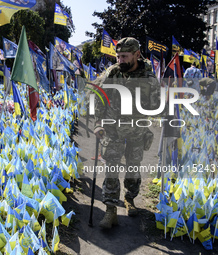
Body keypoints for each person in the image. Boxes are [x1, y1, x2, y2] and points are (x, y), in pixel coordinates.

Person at [93, 37, 160, 229]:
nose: (120, 60)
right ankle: (110, 209)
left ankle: (130, 198)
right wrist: (98, 123)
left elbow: (156, 106)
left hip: (136, 132)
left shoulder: (148, 77)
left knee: (133, 167)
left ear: (137, 55)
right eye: (118, 56)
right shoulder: (113, 72)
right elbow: (98, 96)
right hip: (113, 130)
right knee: (111, 169)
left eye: (125, 56)